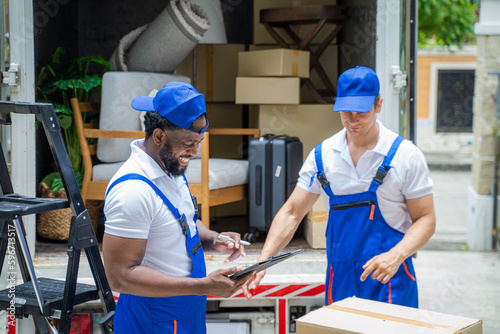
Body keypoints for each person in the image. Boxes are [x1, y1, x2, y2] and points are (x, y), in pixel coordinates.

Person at [242, 66, 436, 308]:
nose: (352, 120)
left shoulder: (405, 156)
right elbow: (292, 212)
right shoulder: (323, 156)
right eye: (345, 111)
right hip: (340, 279)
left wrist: (397, 255)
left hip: (390, 276)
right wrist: (263, 262)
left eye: (361, 111)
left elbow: (426, 219)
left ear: (378, 105)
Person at [103, 81, 254, 334]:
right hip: (152, 319)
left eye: (199, 141)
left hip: (188, 311)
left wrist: (214, 238)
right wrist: (203, 285)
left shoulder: (171, 167)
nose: (194, 151)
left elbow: (184, 221)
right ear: (159, 135)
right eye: (188, 143)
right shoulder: (132, 191)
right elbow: (120, 276)